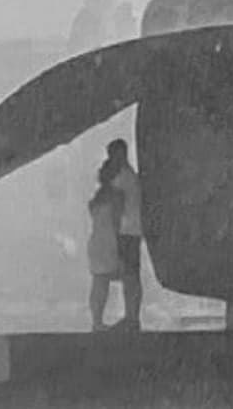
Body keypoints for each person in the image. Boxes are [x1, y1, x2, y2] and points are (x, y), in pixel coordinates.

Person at [103, 138, 143, 331]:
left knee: (129, 276)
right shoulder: (132, 176)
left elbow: (116, 208)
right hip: (134, 230)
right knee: (132, 275)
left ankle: (131, 317)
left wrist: (112, 233)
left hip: (125, 231)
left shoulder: (121, 179)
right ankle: (132, 316)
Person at [87, 167, 125, 331]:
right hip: (110, 242)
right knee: (124, 279)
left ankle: (97, 320)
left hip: (96, 241)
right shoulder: (117, 197)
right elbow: (118, 222)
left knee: (98, 282)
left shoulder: (96, 198)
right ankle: (126, 316)